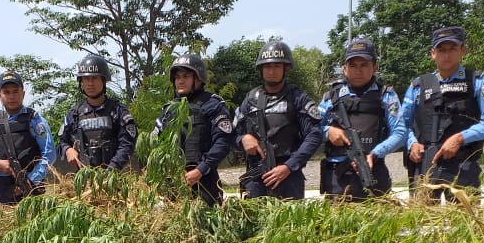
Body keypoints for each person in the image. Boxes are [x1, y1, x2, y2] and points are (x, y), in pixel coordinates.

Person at [400, 26, 484, 201]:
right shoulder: (418, 85)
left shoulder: (477, 81)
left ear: (463, 50)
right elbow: (402, 124)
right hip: (425, 165)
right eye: (441, 50)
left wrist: (460, 138)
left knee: (465, 223)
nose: (446, 55)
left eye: (452, 49)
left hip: (463, 165)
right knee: (421, 224)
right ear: (433, 53)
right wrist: (412, 144)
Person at [233, 41, 323, 200]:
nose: (272, 71)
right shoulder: (250, 99)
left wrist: (289, 166)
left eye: (276, 66)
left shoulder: (297, 97)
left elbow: (314, 135)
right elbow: (231, 133)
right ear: (261, 69)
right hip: (257, 177)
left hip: (288, 176)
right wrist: (243, 139)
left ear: (286, 68)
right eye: (267, 67)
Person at [319, 39, 406, 200]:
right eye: (353, 66)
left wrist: (374, 154)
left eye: (364, 65)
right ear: (344, 69)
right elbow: (311, 129)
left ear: (375, 68)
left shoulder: (386, 95)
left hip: (373, 171)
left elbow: (400, 133)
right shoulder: (331, 97)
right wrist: (328, 131)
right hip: (337, 178)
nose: (358, 71)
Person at [153, 54, 233, 206]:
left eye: (186, 76)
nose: (180, 81)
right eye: (177, 77)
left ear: (198, 79)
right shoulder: (168, 110)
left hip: (205, 180)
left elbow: (222, 143)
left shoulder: (213, 105)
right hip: (176, 182)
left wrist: (200, 170)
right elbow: (157, 144)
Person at [0, 71, 56, 205]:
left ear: (23, 93)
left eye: (16, 91)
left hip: (31, 189)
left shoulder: (35, 119)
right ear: (0, 95)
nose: (12, 96)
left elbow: (49, 154)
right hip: (0, 190)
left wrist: (31, 179)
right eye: (6, 92)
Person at [58, 55, 136, 171]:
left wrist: (112, 170)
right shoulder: (74, 115)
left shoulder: (118, 111)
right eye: (86, 79)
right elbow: (62, 142)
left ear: (103, 80)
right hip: (85, 181)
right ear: (81, 82)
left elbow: (127, 144)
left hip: (115, 180)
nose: (90, 83)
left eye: (94, 78)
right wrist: (68, 150)